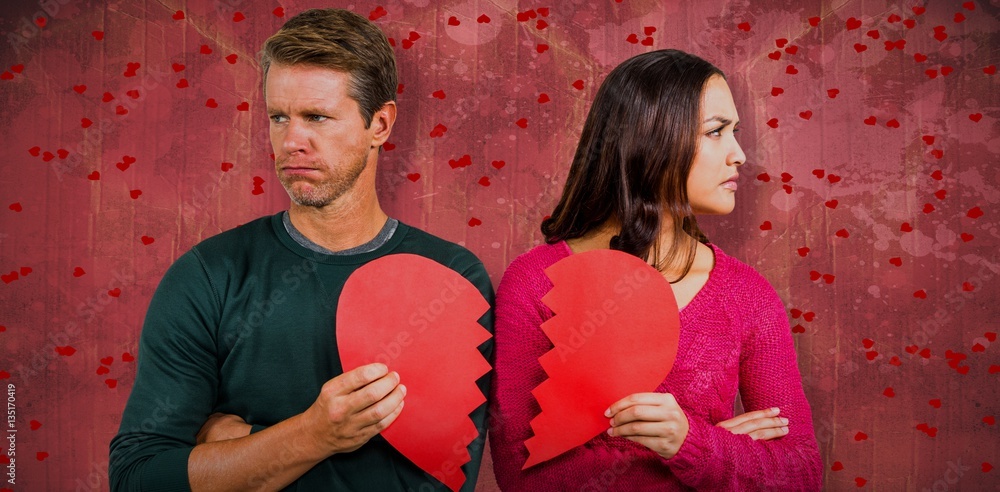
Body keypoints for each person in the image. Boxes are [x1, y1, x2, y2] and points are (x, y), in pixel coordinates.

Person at [108, 9, 493, 491]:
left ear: (379, 123)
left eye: (317, 117)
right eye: (278, 117)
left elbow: (440, 483)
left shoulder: (450, 278)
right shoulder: (208, 276)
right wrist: (312, 435)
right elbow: (138, 479)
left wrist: (242, 445)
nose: (291, 141)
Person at [489, 49, 823, 490]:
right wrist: (706, 451)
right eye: (716, 132)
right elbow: (521, 476)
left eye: (735, 132)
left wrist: (689, 442)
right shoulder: (536, 282)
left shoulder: (747, 294)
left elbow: (801, 472)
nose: (740, 154)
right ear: (653, 137)